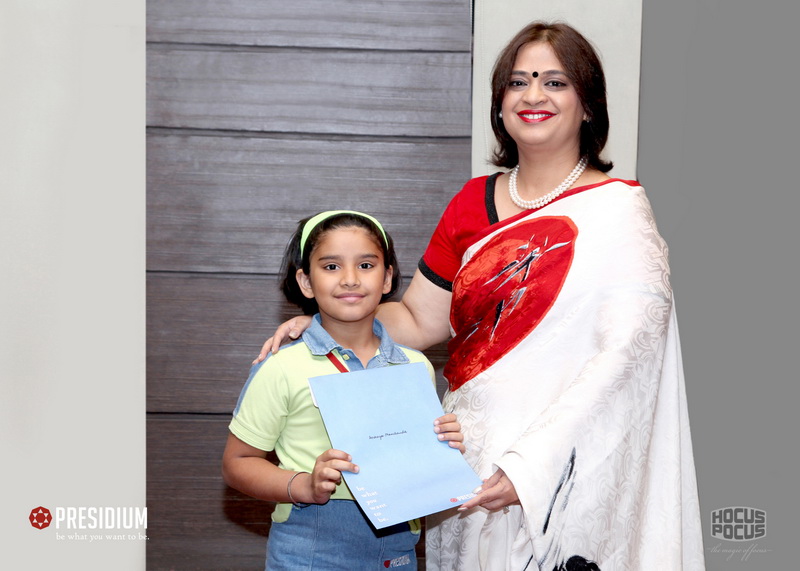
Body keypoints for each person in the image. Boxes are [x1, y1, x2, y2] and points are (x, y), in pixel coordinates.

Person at [259, 22, 704, 571]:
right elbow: (418, 319)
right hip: (470, 460)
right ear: (500, 104)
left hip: (569, 467)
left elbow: (627, 354)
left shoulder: (619, 212)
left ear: (588, 104)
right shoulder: (473, 202)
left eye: (555, 82)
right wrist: (324, 325)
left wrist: (534, 464)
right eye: (518, 82)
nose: (533, 95)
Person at [222, 210, 465, 570]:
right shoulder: (281, 367)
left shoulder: (415, 367)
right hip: (308, 550)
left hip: (397, 551)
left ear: (387, 278)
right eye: (331, 266)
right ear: (306, 282)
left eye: (366, 265)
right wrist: (304, 485)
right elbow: (237, 463)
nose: (350, 279)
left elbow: (419, 465)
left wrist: (444, 445)